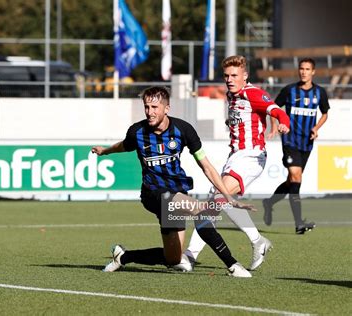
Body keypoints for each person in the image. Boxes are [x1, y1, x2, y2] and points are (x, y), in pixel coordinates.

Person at [92, 86, 254, 277]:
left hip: (176, 193)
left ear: (166, 108)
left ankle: (123, 257)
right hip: (152, 194)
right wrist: (105, 151)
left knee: (174, 259)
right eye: (147, 107)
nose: (149, 112)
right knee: (200, 210)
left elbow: (206, 166)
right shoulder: (137, 131)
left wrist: (228, 197)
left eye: (154, 107)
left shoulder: (183, 130)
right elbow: (123, 145)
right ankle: (233, 265)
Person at [185, 55, 291, 270]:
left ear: (245, 76)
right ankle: (190, 255)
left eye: (234, 75)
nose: (229, 79)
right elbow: (246, 118)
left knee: (218, 198)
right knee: (212, 205)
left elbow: (277, 111)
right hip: (235, 156)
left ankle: (254, 241)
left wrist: (283, 124)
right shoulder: (231, 96)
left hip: (251, 156)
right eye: (226, 76)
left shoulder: (254, 93)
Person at [262, 58, 329, 234]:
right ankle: (299, 223)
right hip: (290, 140)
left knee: (293, 181)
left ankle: (269, 203)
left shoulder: (320, 92)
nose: (304, 72)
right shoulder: (289, 90)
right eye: (301, 68)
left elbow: (325, 113)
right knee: (296, 176)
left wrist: (316, 127)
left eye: (307, 69)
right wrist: (275, 126)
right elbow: (273, 108)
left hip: (307, 143)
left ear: (313, 72)